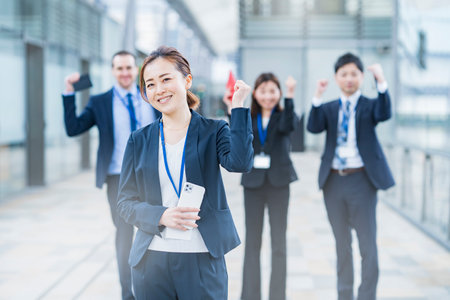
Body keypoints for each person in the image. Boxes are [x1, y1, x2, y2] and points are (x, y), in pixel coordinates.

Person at [116, 46, 254, 300]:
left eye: (166, 79)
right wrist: (161, 215)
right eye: (150, 84)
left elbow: (240, 163)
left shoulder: (214, 130)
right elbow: (124, 203)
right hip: (151, 260)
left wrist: (239, 109)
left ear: (187, 80)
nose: (159, 90)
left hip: (201, 257)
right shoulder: (139, 140)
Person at [62, 50, 161, 300]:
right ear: (113, 71)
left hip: (153, 175)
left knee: (157, 230)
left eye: (129, 68)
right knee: (125, 235)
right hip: (119, 179)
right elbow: (73, 128)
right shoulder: (100, 101)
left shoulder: (152, 96)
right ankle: (128, 294)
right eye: (120, 68)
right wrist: (68, 91)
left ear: (136, 69)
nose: (125, 73)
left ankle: (154, 289)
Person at [307, 53, 395, 300]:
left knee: (367, 245)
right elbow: (313, 127)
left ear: (361, 77)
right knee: (341, 244)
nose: (348, 79)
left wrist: (381, 80)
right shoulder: (329, 107)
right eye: (343, 74)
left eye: (353, 74)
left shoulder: (370, 105)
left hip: (362, 182)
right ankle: (344, 295)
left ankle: (366, 296)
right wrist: (317, 95)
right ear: (337, 77)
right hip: (333, 182)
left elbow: (385, 112)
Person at [238, 73, 298, 300]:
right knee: (252, 242)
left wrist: (291, 97)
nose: (268, 96)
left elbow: (291, 126)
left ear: (279, 93)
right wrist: (234, 104)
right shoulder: (249, 117)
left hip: (279, 184)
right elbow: (238, 133)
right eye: (263, 91)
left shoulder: (285, 116)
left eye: (273, 91)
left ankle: (277, 296)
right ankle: (250, 296)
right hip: (253, 184)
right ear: (255, 93)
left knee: (278, 243)